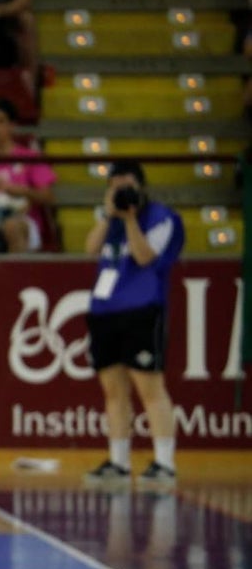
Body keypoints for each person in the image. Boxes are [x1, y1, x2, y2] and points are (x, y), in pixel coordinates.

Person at [83, 161, 185, 489]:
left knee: (149, 388)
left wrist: (129, 219)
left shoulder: (161, 218)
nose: (120, 191)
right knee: (113, 390)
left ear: (141, 186)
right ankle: (118, 461)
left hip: (142, 308)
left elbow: (144, 257)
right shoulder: (109, 217)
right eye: (114, 185)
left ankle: (165, 462)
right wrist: (109, 214)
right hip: (104, 309)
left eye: (126, 185)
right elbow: (90, 248)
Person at [0, 99, 55, 253]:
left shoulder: (31, 157)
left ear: (12, 126)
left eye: (0, 122)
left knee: (12, 226)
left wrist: (17, 190)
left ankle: (18, 276)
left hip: (23, 218)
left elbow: (48, 197)